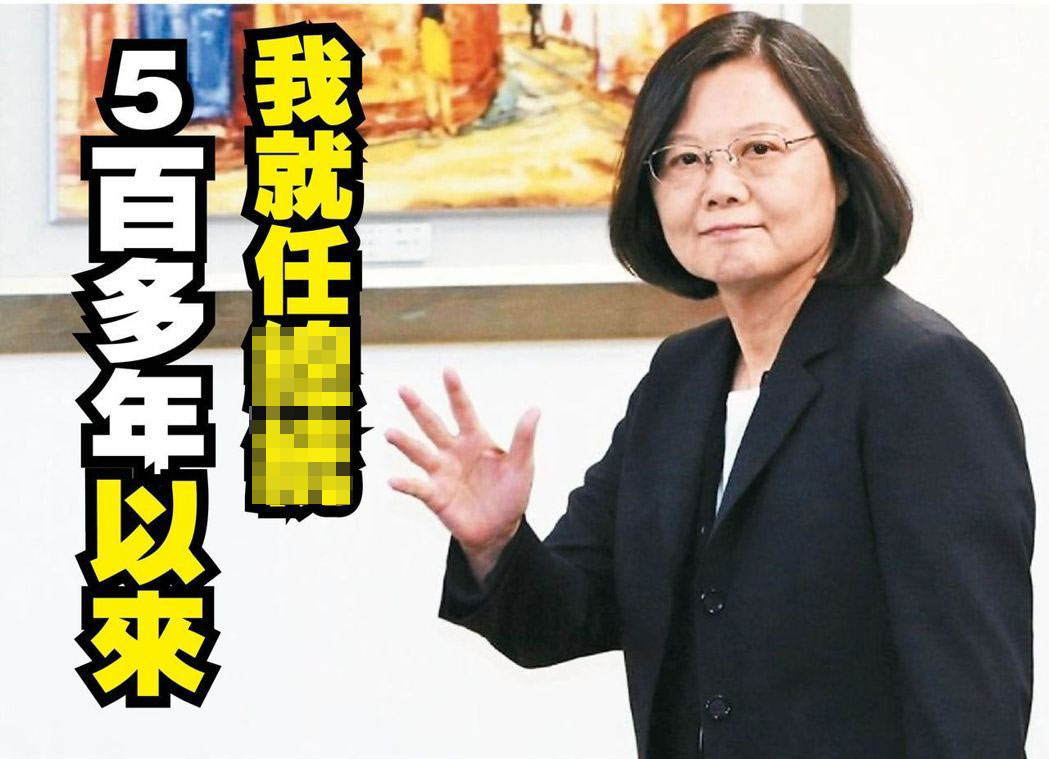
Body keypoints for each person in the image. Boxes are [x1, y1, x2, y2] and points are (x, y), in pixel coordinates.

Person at [385, 11, 1035, 759]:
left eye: (759, 149)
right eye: (686, 158)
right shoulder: (680, 379)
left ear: (841, 171)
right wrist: (496, 543)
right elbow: (565, 617)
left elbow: (970, 714)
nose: (720, 187)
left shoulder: (921, 377)